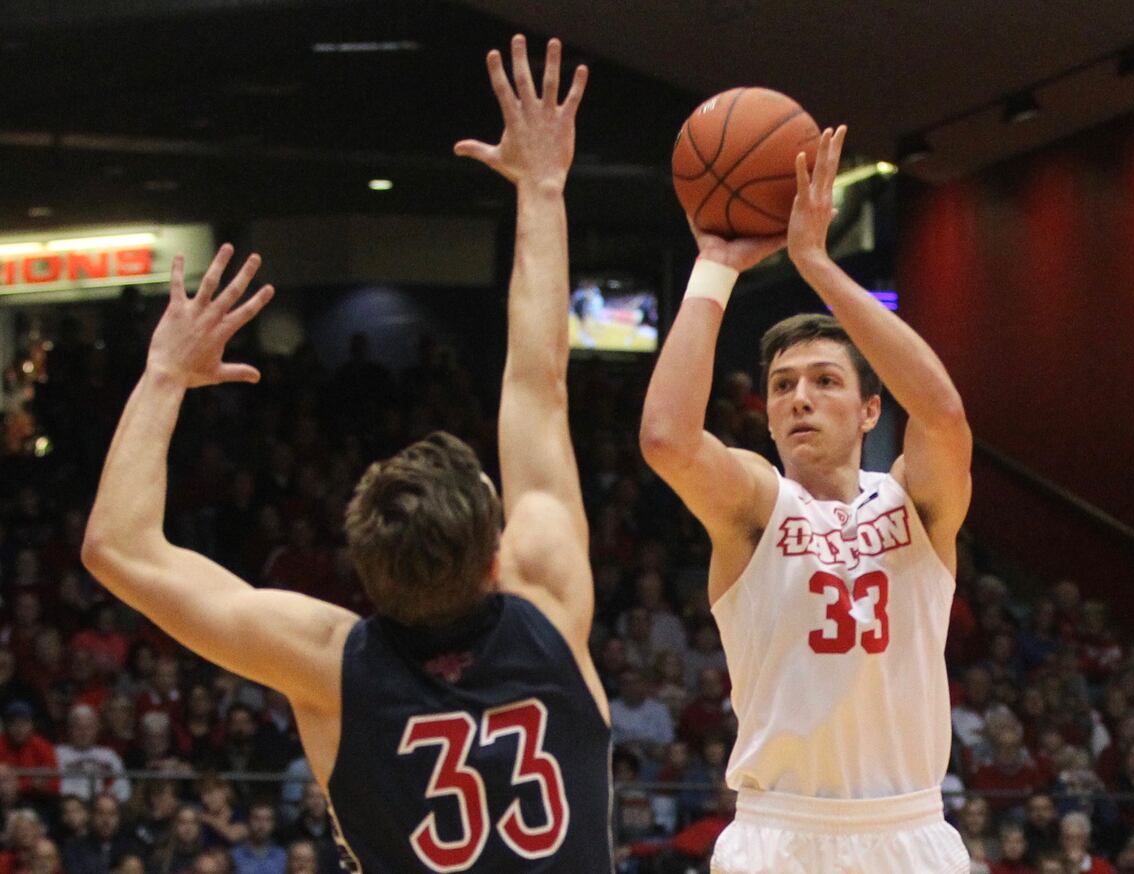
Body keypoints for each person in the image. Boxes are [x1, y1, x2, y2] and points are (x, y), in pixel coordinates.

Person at [78, 37, 611, 872]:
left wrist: (162, 376)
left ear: (365, 573)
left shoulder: (328, 662)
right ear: (494, 557)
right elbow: (538, 385)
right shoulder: (548, 598)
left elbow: (117, 548)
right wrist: (542, 189)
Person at [642, 126, 971, 873]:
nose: (800, 398)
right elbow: (666, 438)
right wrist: (714, 267)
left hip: (906, 829)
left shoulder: (916, 505)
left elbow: (944, 413)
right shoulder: (760, 505)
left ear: (869, 411)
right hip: (778, 835)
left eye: (826, 381)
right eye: (784, 385)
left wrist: (817, 266)